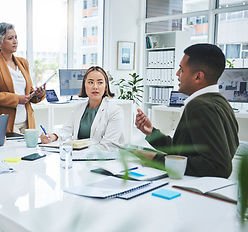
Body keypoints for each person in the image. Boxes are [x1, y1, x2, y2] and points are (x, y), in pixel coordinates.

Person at [135, 43, 239, 178]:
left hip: (195, 189)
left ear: (198, 77)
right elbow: (184, 151)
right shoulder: (220, 102)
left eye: (181, 69)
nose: (177, 74)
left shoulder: (200, 106)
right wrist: (151, 133)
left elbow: (218, 167)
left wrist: (155, 159)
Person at [0, 22, 45, 134]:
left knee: (30, 151)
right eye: (10, 38)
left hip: (27, 123)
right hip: (6, 124)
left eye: (16, 37)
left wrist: (38, 95)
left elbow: (28, 93)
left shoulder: (23, 62)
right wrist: (16, 99)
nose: (15, 41)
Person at [40, 66, 124, 149]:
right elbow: (67, 129)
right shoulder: (78, 108)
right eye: (90, 82)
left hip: (102, 159)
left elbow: (108, 145)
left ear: (106, 87)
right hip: (78, 158)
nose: (95, 86)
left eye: (100, 82)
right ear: (84, 85)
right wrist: (53, 136)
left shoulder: (115, 111)